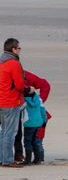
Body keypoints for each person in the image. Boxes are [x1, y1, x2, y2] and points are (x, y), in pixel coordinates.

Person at [0, 38, 27, 168]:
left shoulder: (1, 61)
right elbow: (19, 84)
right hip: (10, 101)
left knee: (4, 131)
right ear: (13, 49)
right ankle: (7, 160)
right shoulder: (13, 63)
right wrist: (28, 89)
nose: (20, 50)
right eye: (19, 48)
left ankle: (3, 158)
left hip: (2, 100)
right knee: (10, 132)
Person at [14, 71, 51, 164]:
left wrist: (40, 101)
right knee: (33, 138)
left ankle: (28, 158)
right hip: (35, 116)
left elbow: (45, 85)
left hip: (20, 110)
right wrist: (38, 102)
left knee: (29, 138)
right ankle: (37, 158)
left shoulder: (25, 75)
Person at [22, 89, 47, 165]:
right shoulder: (39, 99)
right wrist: (44, 120)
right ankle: (37, 159)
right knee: (35, 141)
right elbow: (43, 110)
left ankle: (28, 160)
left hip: (29, 123)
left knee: (27, 142)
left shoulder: (23, 101)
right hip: (38, 122)